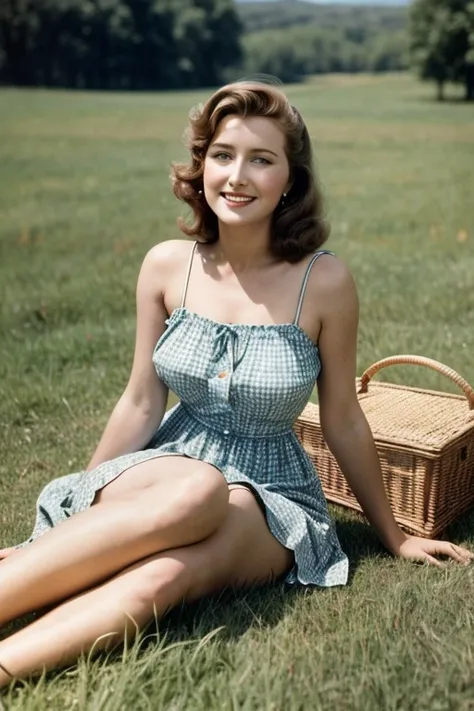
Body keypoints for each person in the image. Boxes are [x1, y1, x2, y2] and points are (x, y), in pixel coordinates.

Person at [0, 80, 472, 689]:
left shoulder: (323, 282)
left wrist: (394, 535)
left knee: (166, 577)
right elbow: (142, 400)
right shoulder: (166, 265)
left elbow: (344, 419)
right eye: (223, 155)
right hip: (168, 465)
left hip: (270, 495)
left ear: (290, 181)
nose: (237, 175)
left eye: (261, 158)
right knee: (196, 487)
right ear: (201, 167)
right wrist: (76, 508)